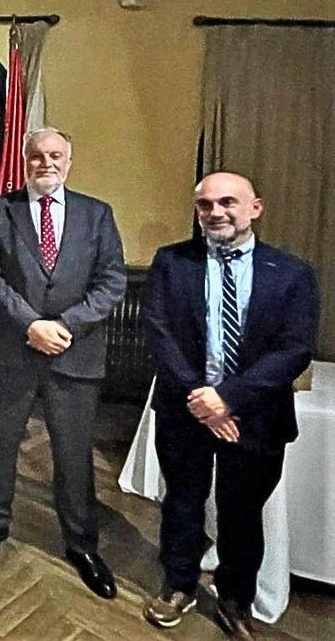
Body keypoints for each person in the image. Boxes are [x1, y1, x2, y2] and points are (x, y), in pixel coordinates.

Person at [141, 172, 318, 637]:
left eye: (227, 202)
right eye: (204, 205)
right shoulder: (171, 262)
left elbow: (295, 348)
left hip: (255, 417)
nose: (215, 212)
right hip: (185, 409)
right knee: (181, 502)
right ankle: (177, 583)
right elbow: (159, 333)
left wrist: (228, 399)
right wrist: (202, 399)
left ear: (254, 208)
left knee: (242, 511)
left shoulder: (294, 273)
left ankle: (234, 598)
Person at [0, 127, 126, 598]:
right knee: (0, 443)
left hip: (74, 353)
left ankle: (81, 544)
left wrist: (66, 326)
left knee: (73, 454)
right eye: (37, 156)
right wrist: (30, 325)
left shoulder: (97, 215)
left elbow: (112, 281)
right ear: (25, 161)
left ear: (69, 161)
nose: (46, 163)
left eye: (55, 155)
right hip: (12, 351)